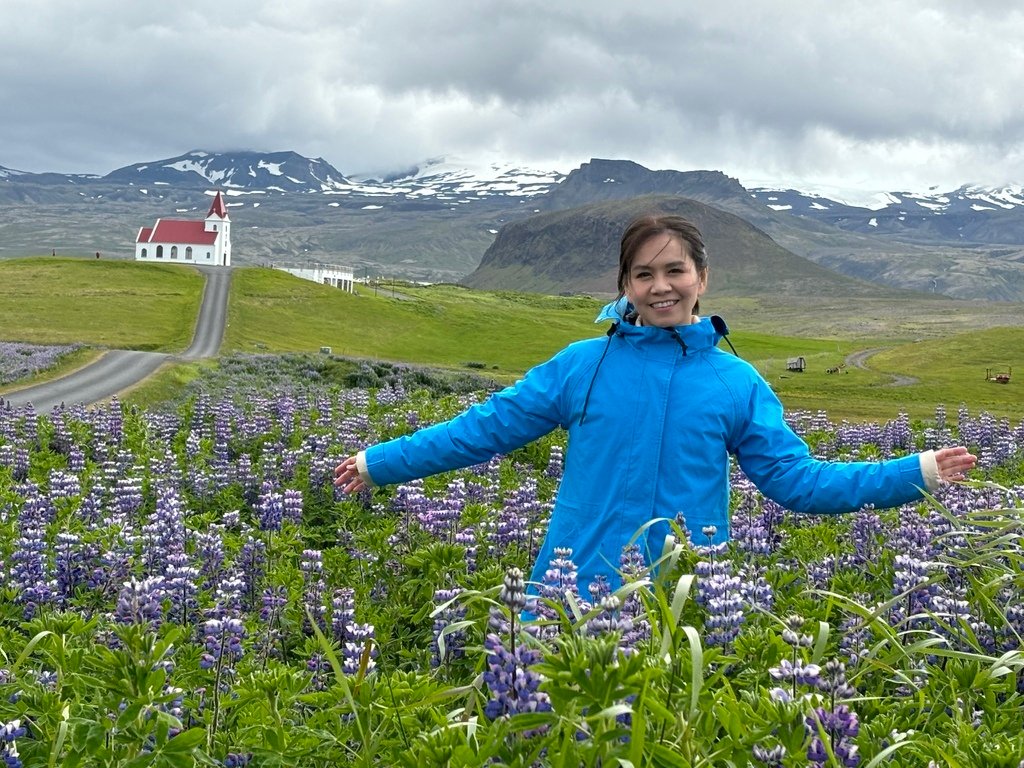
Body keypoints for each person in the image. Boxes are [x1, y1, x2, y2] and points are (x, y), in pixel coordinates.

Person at [333, 214, 977, 595]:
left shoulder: (735, 381)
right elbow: (485, 428)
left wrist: (912, 472)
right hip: (575, 582)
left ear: (702, 278)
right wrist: (379, 462)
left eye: (674, 271)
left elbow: (795, 481)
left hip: (688, 591)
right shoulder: (583, 364)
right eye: (644, 274)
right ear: (625, 284)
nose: (660, 286)